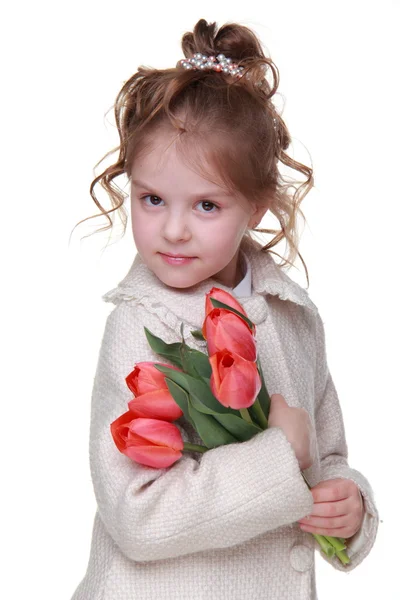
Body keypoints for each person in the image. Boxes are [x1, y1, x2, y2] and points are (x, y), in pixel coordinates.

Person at [70, 18, 379, 600]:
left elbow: (324, 453)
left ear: (257, 205)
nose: (174, 229)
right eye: (152, 199)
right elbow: (137, 516)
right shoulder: (139, 327)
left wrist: (348, 502)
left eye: (207, 205)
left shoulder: (291, 314)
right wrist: (279, 458)